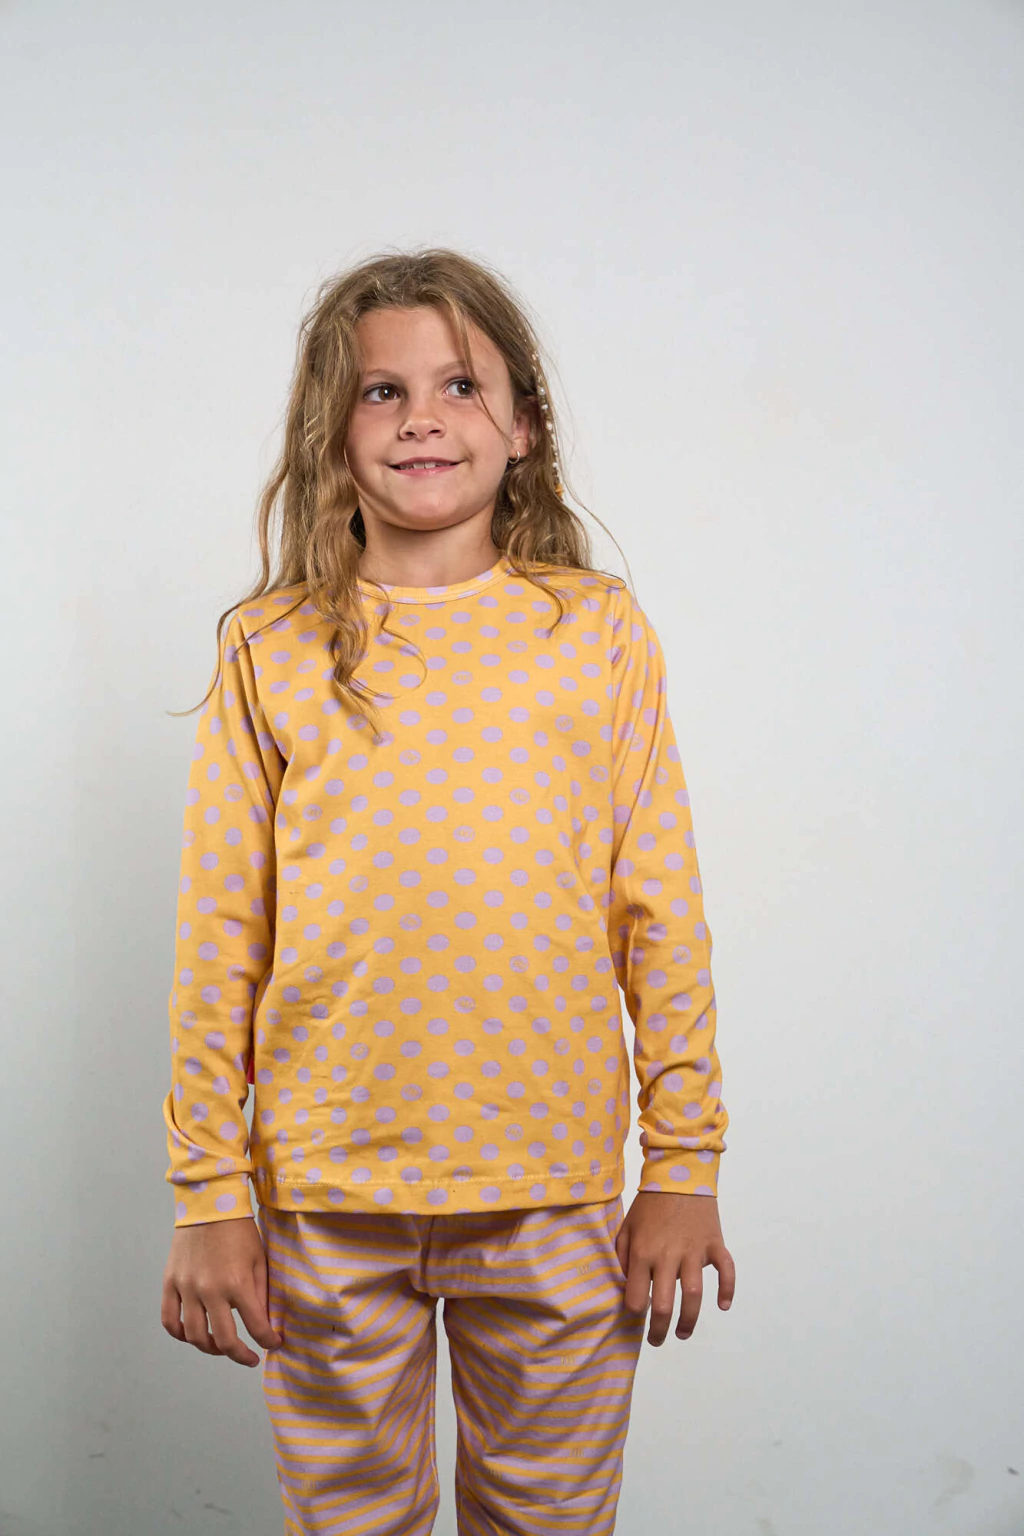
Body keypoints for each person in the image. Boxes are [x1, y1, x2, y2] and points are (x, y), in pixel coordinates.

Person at [159, 246, 734, 1536]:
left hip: (552, 1187)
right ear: (332, 431)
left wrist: (683, 1163)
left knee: (548, 1518)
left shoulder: (595, 633)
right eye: (383, 391)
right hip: (323, 1194)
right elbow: (219, 936)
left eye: (461, 384)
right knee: (350, 1520)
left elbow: (660, 911)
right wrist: (208, 1194)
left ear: (524, 426)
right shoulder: (270, 647)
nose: (422, 416)